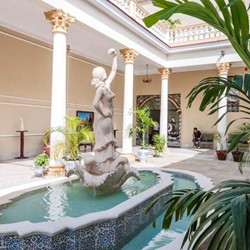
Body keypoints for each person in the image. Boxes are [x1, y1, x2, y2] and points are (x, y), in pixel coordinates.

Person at [91, 48, 117, 172]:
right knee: (107, 144)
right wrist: (103, 113)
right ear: (102, 75)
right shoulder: (101, 89)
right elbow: (94, 104)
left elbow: (114, 71)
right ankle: (105, 169)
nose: (107, 72)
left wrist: (115, 57)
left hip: (105, 119)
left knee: (105, 145)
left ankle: (105, 168)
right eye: (104, 72)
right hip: (106, 119)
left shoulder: (105, 86)